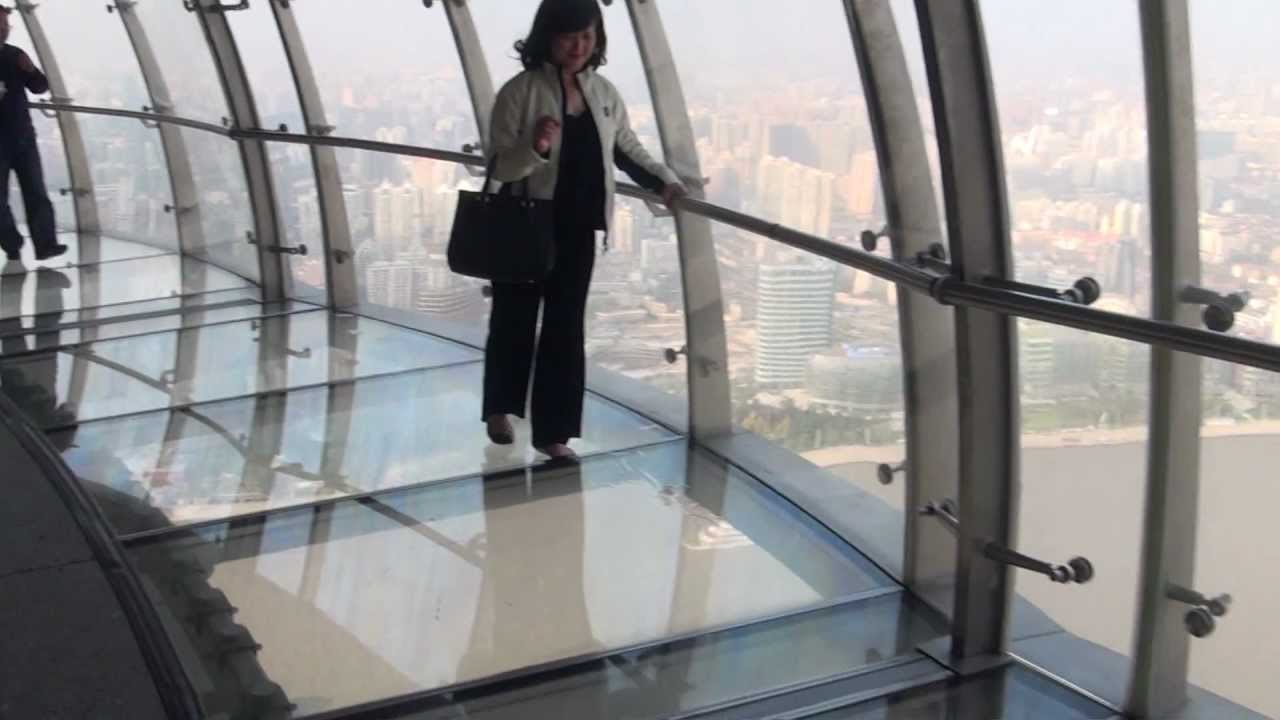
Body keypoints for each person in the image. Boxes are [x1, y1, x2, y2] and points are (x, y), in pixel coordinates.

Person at [482, 0, 685, 460]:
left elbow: (626, 149)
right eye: (569, 35)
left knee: (565, 328)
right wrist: (535, 147)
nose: (579, 46)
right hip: (526, 221)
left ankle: (553, 434)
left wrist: (665, 181)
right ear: (547, 36)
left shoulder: (604, 92)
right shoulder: (520, 92)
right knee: (513, 319)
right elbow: (497, 164)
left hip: (579, 227)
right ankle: (499, 408)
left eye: (588, 36)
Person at [0, 6, 66, 263]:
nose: (4, 30)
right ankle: (11, 242)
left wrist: (29, 70)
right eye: (0, 26)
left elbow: (39, 86)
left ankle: (45, 244)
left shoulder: (16, 55)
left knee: (36, 191)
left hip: (22, 136)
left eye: (6, 26)